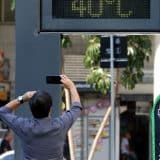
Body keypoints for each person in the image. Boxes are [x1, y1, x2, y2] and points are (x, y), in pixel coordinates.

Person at [0, 75, 82, 160]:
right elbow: (76, 108)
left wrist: (22, 98)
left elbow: (2, 111)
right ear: (50, 109)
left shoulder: (24, 126)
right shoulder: (60, 125)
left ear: (31, 109)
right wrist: (71, 86)